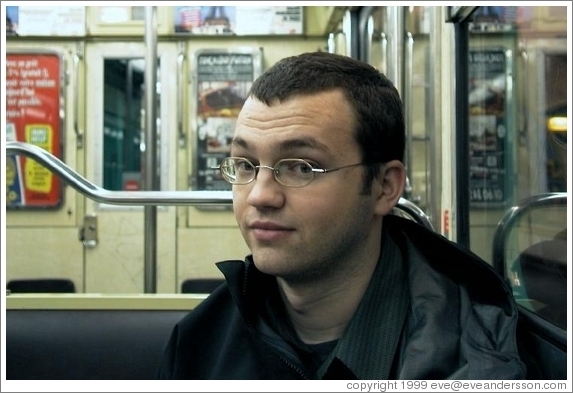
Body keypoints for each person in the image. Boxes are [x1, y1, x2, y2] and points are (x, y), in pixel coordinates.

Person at [157, 51, 525, 380]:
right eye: (245, 164)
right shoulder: (200, 341)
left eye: (302, 167)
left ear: (384, 186)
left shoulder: (474, 360)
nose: (260, 195)